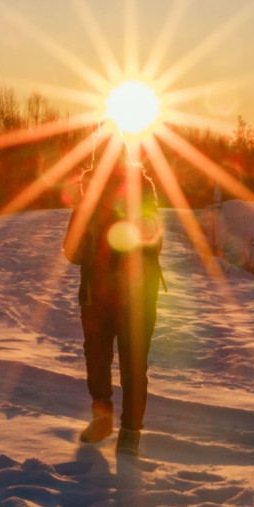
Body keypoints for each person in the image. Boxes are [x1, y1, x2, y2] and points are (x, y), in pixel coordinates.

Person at [61, 138, 165, 454]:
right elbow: (71, 252)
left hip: (136, 295)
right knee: (97, 360)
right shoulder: (86, 198)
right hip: (96, 295)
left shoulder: (142, 191)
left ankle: (131, 432)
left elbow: (154, 240)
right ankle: (103, 421)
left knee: (133, 365)